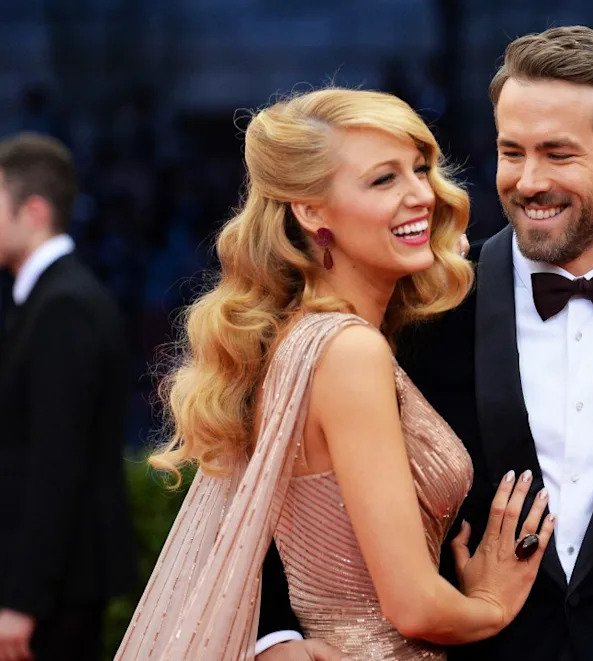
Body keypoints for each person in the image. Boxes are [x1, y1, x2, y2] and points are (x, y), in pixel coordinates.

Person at [258, 26, 593, 661]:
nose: (527, 181)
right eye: (512, 152)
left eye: (558, 154)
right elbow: (295, 492)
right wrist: (276, 642)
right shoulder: (423, 305)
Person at [115, 88, 555, 660]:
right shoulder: (348, 353)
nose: (421, 195)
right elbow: (413, 607)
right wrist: (490, 604)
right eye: (383, 181)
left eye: (419, 170)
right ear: (312, 211)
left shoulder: (300, 339)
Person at [0, 132, 137, 661]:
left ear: (33, 210)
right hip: (51, 585)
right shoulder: (42, 299)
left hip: (57, 593)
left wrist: (22, 601)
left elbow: (56, 467)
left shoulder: (65, 306)